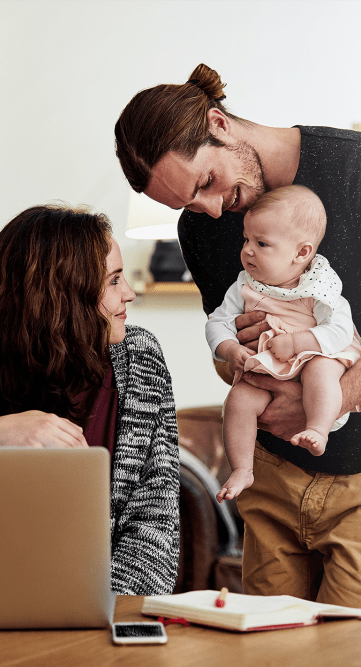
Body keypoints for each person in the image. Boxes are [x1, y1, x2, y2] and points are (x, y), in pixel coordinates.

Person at [114, 63, 361, 607]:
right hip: (271, 483)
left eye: (205, 183)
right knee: (268, 649)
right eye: (186, 204)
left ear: (219, 124)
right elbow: (223, 350)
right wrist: (238, 358)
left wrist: (333, 393)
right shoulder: (201, 227)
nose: (206, 209)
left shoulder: (352, 169)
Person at [0, 203, 180, 596]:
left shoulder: (139, 359)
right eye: (113, 281)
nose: (128, 293)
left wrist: (96, 608)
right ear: (61, 294)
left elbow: (155, 523)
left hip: (101, 605)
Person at [204, 185, 361, 500]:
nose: (248, 250)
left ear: (301, 253)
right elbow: (217, 322)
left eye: (261, 243)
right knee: (239, 399)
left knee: (321, 370)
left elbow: (341, 330)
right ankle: (242, 469)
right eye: (246, 239)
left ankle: (316, 427)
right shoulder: (244, 285)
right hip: (270, 364)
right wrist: (229, 348)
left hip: (314, 353)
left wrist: (299, 342)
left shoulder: (319, 286)